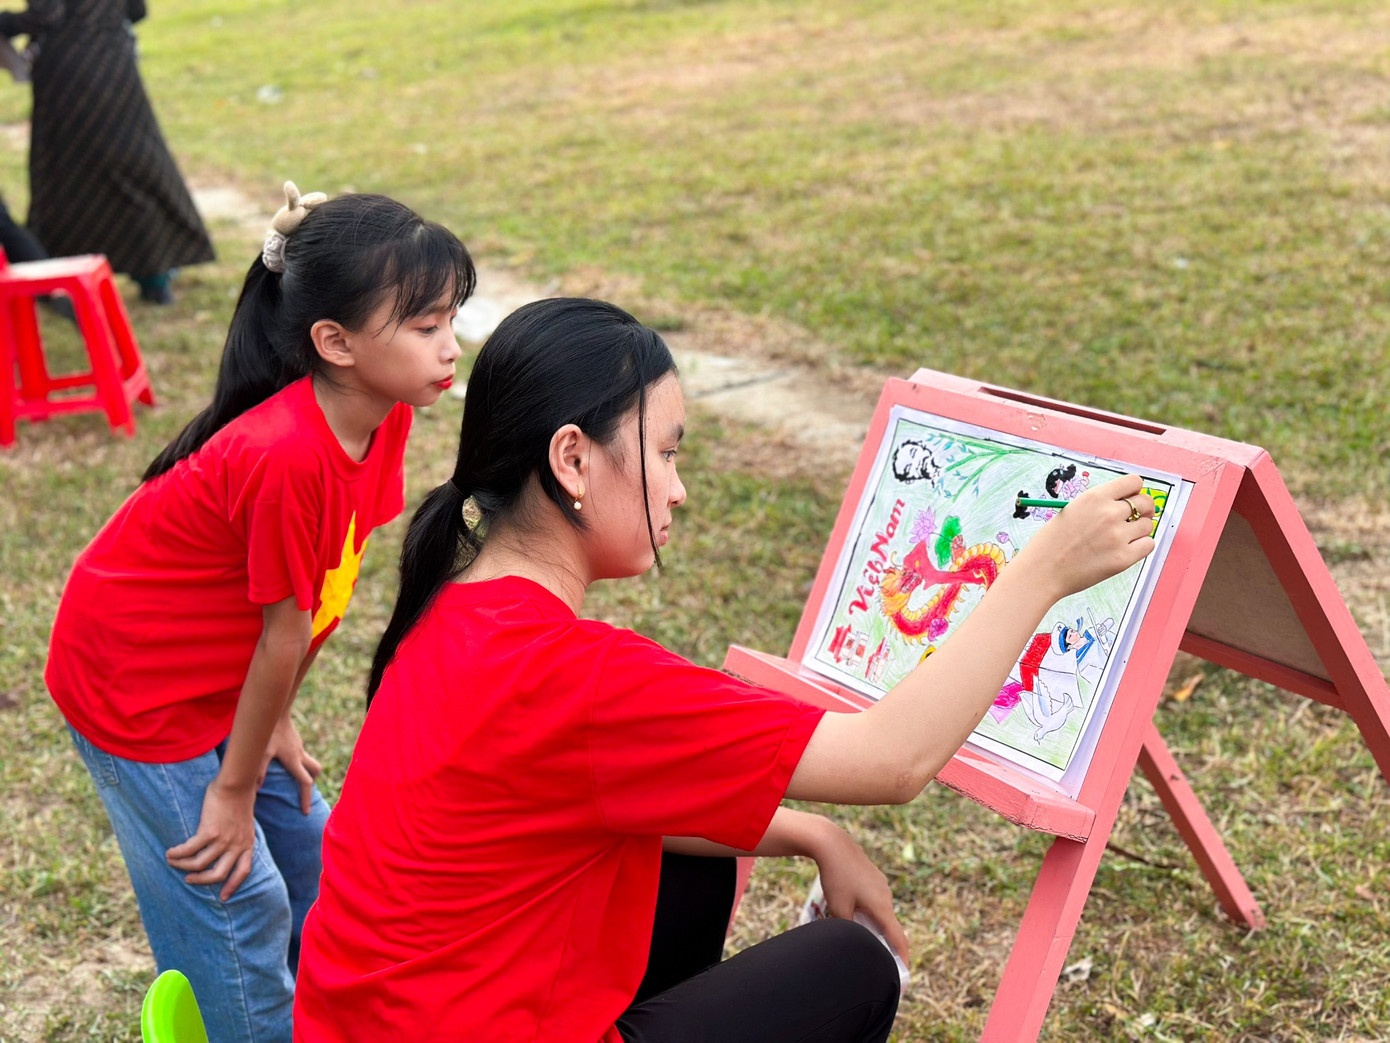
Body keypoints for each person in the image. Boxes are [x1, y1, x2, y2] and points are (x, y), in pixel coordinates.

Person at [292, 298, 1156, 1042]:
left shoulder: (453, 609)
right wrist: (1042, 569)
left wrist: (814, 832)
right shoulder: (576, 674)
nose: (679, 489)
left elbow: (582, 803)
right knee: (853, 964)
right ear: (571, 460)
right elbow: (893, 759)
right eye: (666, 453)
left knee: (694, 863)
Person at [44, 182, 475, 1043]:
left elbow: (322, 599)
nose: (449, 347)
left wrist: (270, 724)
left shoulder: (381, 416)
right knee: (238, 899)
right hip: (136, 687)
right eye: (425, 326)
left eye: (451, 319)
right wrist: (232, 789)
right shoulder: (284, 457)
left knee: (318, 859)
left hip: (222, 678)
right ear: (335, 342)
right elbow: (284, 629)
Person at [0, 0, 215, 304]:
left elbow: (46, 14)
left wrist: (5, 23)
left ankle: (51, 275)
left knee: (67, 174)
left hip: (68, 71)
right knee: (135, 162)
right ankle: (154, 276)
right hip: (116, 63)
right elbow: (137, 10)